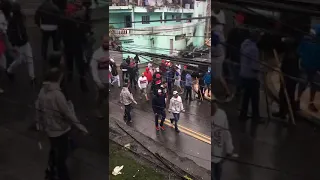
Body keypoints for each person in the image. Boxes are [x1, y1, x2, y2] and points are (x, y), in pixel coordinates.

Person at [35, 68, 88, 180]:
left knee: (55, 149)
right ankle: (61, 175)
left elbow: (38, 109)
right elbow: (68, 113)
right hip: (61, 130)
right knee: (61, 158)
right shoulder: (58, 95)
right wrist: (80, 126)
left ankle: (50, 170)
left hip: (50, 130)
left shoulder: (42, 91)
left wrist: (39, 125)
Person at [6, 2, 36, 84]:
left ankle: (32, 77)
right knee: (22, 60)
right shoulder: (18, 19)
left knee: (27, 59)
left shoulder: (13, 20)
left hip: (20, 43)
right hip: (22, 42)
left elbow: (10, 33)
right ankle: (10, 70)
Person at [272, 38, 299, 123]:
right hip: (288, 78)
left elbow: (289, 69)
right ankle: (283, 112)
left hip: (289, 79)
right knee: (284, 95)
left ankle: (290, 113)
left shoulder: (291, 56)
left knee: (288, 96)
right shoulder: (291, 54)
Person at [239, 30, 262, 123]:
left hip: (243, 73)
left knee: (246, 96)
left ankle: (243, 115)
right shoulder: (254, 49)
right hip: (251, 76)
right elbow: (254, 66)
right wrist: (261, 68)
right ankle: (256, 117)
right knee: (255, 98)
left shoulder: (244, 44)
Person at [296, 24, 320, 112]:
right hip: (305, 67)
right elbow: (299, 52)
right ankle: (297, 101)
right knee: (302, 84)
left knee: (314, 86)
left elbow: (299, 52)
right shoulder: (306, 40)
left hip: (315, 68)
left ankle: (310, 103)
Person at [226, 13, 249, 95]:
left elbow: (228, 45)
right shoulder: (247, 33)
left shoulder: (233, 32)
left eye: (235, 20)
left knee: (236, 75)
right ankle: (240, 89)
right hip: (243, 59)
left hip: (235, 58)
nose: (234, 21)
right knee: (240, 75)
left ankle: (238, 90)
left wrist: (227, 56)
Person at [212, 96, 234, 180]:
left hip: (218, 154)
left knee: (218, 174)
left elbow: (226, 133)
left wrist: (229, 149)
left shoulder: (221, 115)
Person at [212, 16, 232, 101]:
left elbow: (216, 44)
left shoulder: (216, 32)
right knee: (215, 76)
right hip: (216, 56)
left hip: (217, 57)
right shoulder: (216, 31)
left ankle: (227, 93)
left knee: (218, 76)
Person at [90, 34, 109, 118]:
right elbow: (93, 70)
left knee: (106, 96)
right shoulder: (97, 54)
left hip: (108, 80)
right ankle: (96, 110)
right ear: (101, 42)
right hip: (100, 81)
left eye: (108, 42)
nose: (106, 44)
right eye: (105, 42)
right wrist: (98, 82)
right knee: (99, 97)